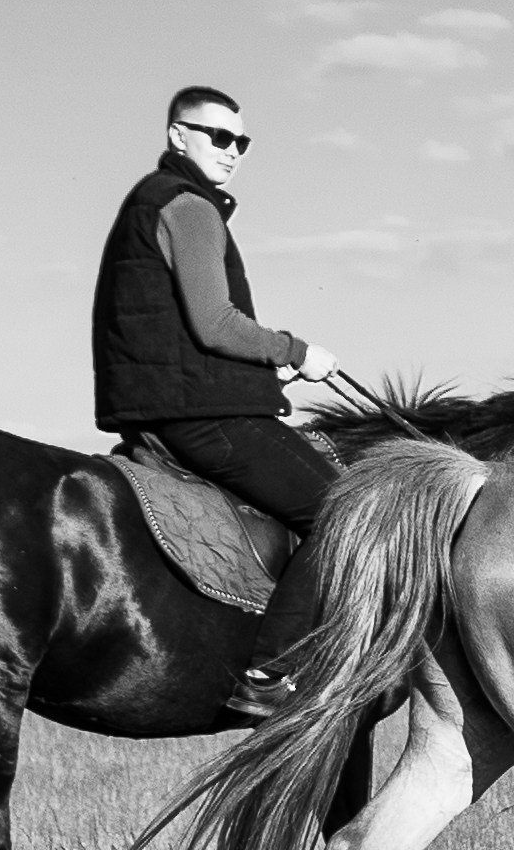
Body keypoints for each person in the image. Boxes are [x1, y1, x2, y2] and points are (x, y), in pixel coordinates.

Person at [92, 84, 342, 717]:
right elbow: (215, 323)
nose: (233, 151)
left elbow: (181, 334)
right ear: (179, 136)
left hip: (171, 404)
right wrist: (296, 352)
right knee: (347, 510)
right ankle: (269, 673)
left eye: (242, 141)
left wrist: (261, 372)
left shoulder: (153, 201)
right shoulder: (189, 206)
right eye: (219, 136)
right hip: (201, 415)